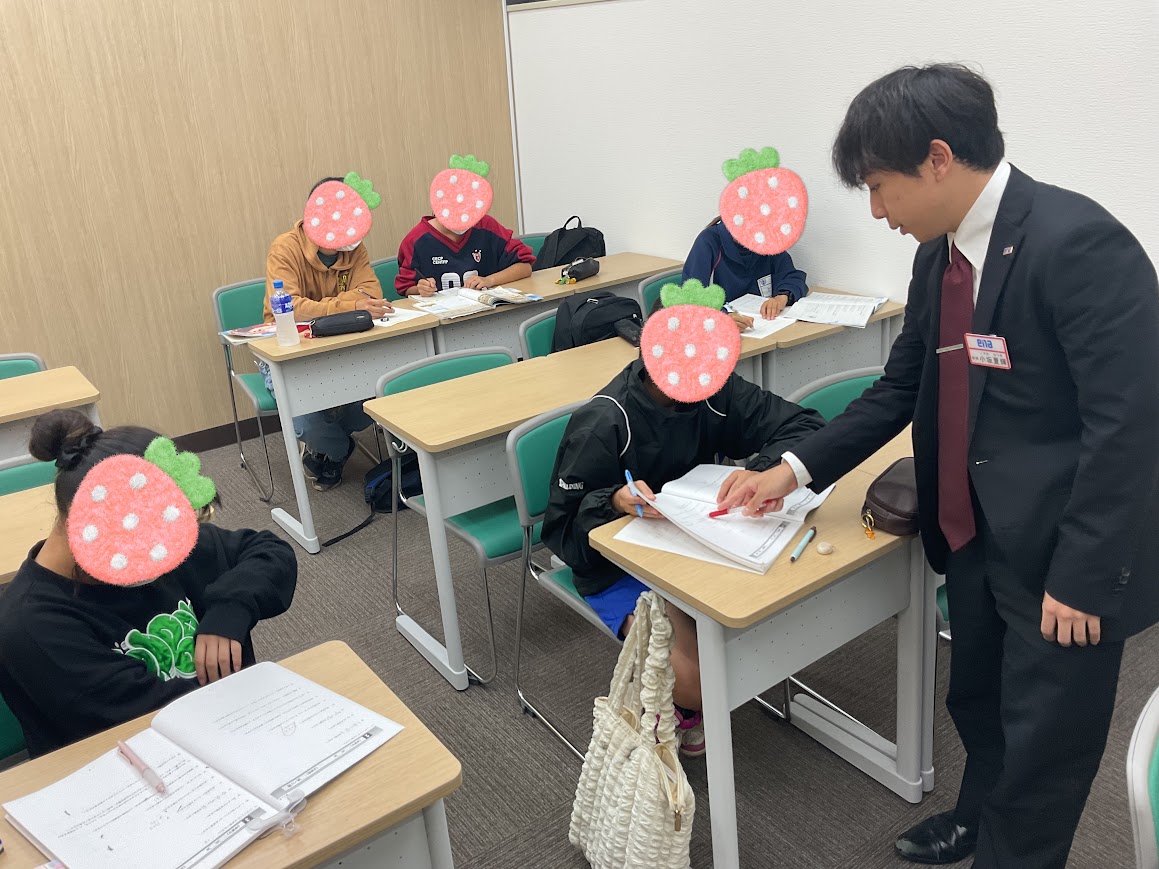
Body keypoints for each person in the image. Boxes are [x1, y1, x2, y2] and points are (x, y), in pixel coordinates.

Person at [717, 63, 1159, 869]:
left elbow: (1127, 426)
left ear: (937, 158)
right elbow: (898, 389)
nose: (876, 211)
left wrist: (1084, 576)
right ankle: (975, 819)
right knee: (979, 702)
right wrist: (792, 467)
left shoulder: (1078, 243)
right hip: (971, 531)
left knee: (1045, 748)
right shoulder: (937, 259)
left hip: (1062, 554)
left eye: (878, 187)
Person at [543, 350, 825, 756]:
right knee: (697, 684)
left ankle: (682, 683)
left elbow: (805, 424)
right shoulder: (604, 422)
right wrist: (614, 500)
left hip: (694, 539)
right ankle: (672, 700)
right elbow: (561, 532)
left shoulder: (711, 388)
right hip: (615, 563)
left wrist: (763, 471)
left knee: (780, 616)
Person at [0, 409, 298, 756]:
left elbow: (269, 552)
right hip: (138, 760)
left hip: (232, 727)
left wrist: (231, 608)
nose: (161, 554)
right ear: (97, 530)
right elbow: (150, 718)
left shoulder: (155, 544)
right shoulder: (31, 628)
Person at [263, 175, 392, 490]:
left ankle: (327, 450)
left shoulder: (354, 249)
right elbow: (290, 307)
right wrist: (351, 304)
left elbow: (372, 294)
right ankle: (337, 449)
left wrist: (331, 307)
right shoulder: (285, 248)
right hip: (288, 350)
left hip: (344, 345)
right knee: (304, 422)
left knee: (384, 390)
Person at [682, 216, 808, 330]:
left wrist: (782, 297)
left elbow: (792, 276)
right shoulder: (709, 241)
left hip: (761, 327)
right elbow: (692, 297)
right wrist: (722, 317)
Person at [396, 212, 534, 297]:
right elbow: (405, 288)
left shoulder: (486, 226)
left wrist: (489, 280)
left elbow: (524, 266)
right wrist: (421, 289)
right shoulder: (416, 240)